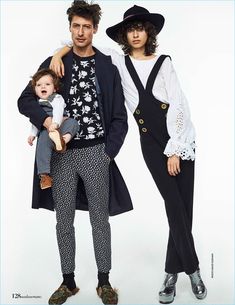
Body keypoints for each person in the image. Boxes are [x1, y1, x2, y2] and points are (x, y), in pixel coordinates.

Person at [50, 4, 207, 304]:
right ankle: (194, 270)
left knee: (182, 211)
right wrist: (59, 54)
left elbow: (179, 106)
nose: (136, 34)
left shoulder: (164, 62)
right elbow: (82, 40)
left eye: (141, 28)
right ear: (124, 34)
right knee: (174, 205)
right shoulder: (119, 63)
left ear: (149, 32)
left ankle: (170, 275)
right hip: (150, 143)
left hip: (180, 140)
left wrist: (175, 148)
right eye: (130, 29)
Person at [18, 1, 133, 304]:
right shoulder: (56, 63)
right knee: (63, 220)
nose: (81, 32)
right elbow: (24, 99)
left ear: (94, 29)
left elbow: (120, 118)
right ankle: (67, 282)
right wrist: (45, 121)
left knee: (100, 220)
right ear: (69, 28)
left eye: (86, 26)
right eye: (76, 26)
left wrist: (108, 153)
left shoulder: (107, 66)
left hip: (96, 152)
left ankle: (104, 281)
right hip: (61, 154)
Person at [28, 68, 79, 189]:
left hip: (61, 124)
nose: (42, 87)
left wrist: (55, 123)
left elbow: (58, 110)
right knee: (42, 147)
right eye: (39, 85)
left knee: (73, 123)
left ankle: (62, 141)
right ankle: (44, 175)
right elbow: (36, 121)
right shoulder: (37, 104)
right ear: (35, 90)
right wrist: (32, 134)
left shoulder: (56, 98)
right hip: (47, 131)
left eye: (47, 84)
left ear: (55, 88)